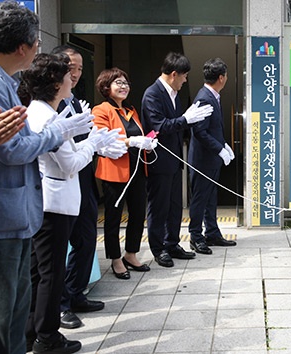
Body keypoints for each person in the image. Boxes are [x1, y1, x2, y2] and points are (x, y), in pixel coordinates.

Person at [0, 2, 92, 353]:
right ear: (23, 46)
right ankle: (45, 337)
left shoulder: (7, 82)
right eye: (36, 41)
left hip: (19, 212)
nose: (37, 47)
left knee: (17, 311)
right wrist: (60, 132)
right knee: (3, 317)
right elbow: (12, 149)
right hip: (3, 215)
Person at [21, 53, 119, 354]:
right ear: (54, 82)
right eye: (67, 74)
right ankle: (48, 336)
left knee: (39, 272)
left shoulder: (40, 110)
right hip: (55, 203)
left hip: (48, 201)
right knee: (51, 273)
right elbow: (70, 164)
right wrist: (93, 143)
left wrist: (79, 135)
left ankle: (31, 332)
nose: (72, 78)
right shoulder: (47, 116)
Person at [52, 45, 113, 330]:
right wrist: (91, 144)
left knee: (87, 238)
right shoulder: (50, 103)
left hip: (84, 181)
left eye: (78, 68)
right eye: (69, 67)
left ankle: (75, 292)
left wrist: (100, 143)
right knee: (59, 248)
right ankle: (60, 305)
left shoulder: (74, 100)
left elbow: (86, 136)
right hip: (62, 182)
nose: (74, 73)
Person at [142, 52, 212, 267]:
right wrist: (184, 119)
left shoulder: (174, 94)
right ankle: (158, 247)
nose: (185, 80)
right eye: (184, 76)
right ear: (174, 74)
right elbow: (159, 126)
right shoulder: (152, 94)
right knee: (159, 206)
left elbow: (178, 124)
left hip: (174, 160)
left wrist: (188, 120)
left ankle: (172, 242)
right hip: (159, 161)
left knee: (174, 206)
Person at [93, 68, 156, 279]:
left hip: (137, 170)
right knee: (113, 217)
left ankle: (131, 253)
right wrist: (131, 141)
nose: (123, 87)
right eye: (118, 83)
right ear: (106, 87)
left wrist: (147, 142)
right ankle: (115, 259)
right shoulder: (101, 110)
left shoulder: (131, 110)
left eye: (125, 83)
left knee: (138, 214)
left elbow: (138, 134)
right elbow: (103, 140)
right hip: (114, 172)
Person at [188, 58, 237, 255]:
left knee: (210, 197)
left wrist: (223, 144)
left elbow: (212, 129)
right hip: (203, 160)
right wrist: (219, 148)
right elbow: (200, 131)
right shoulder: (204, 98)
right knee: (200, 199)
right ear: (221, 78)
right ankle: (195, 237)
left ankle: (212, 232)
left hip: (211, 158)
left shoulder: (212, 95)